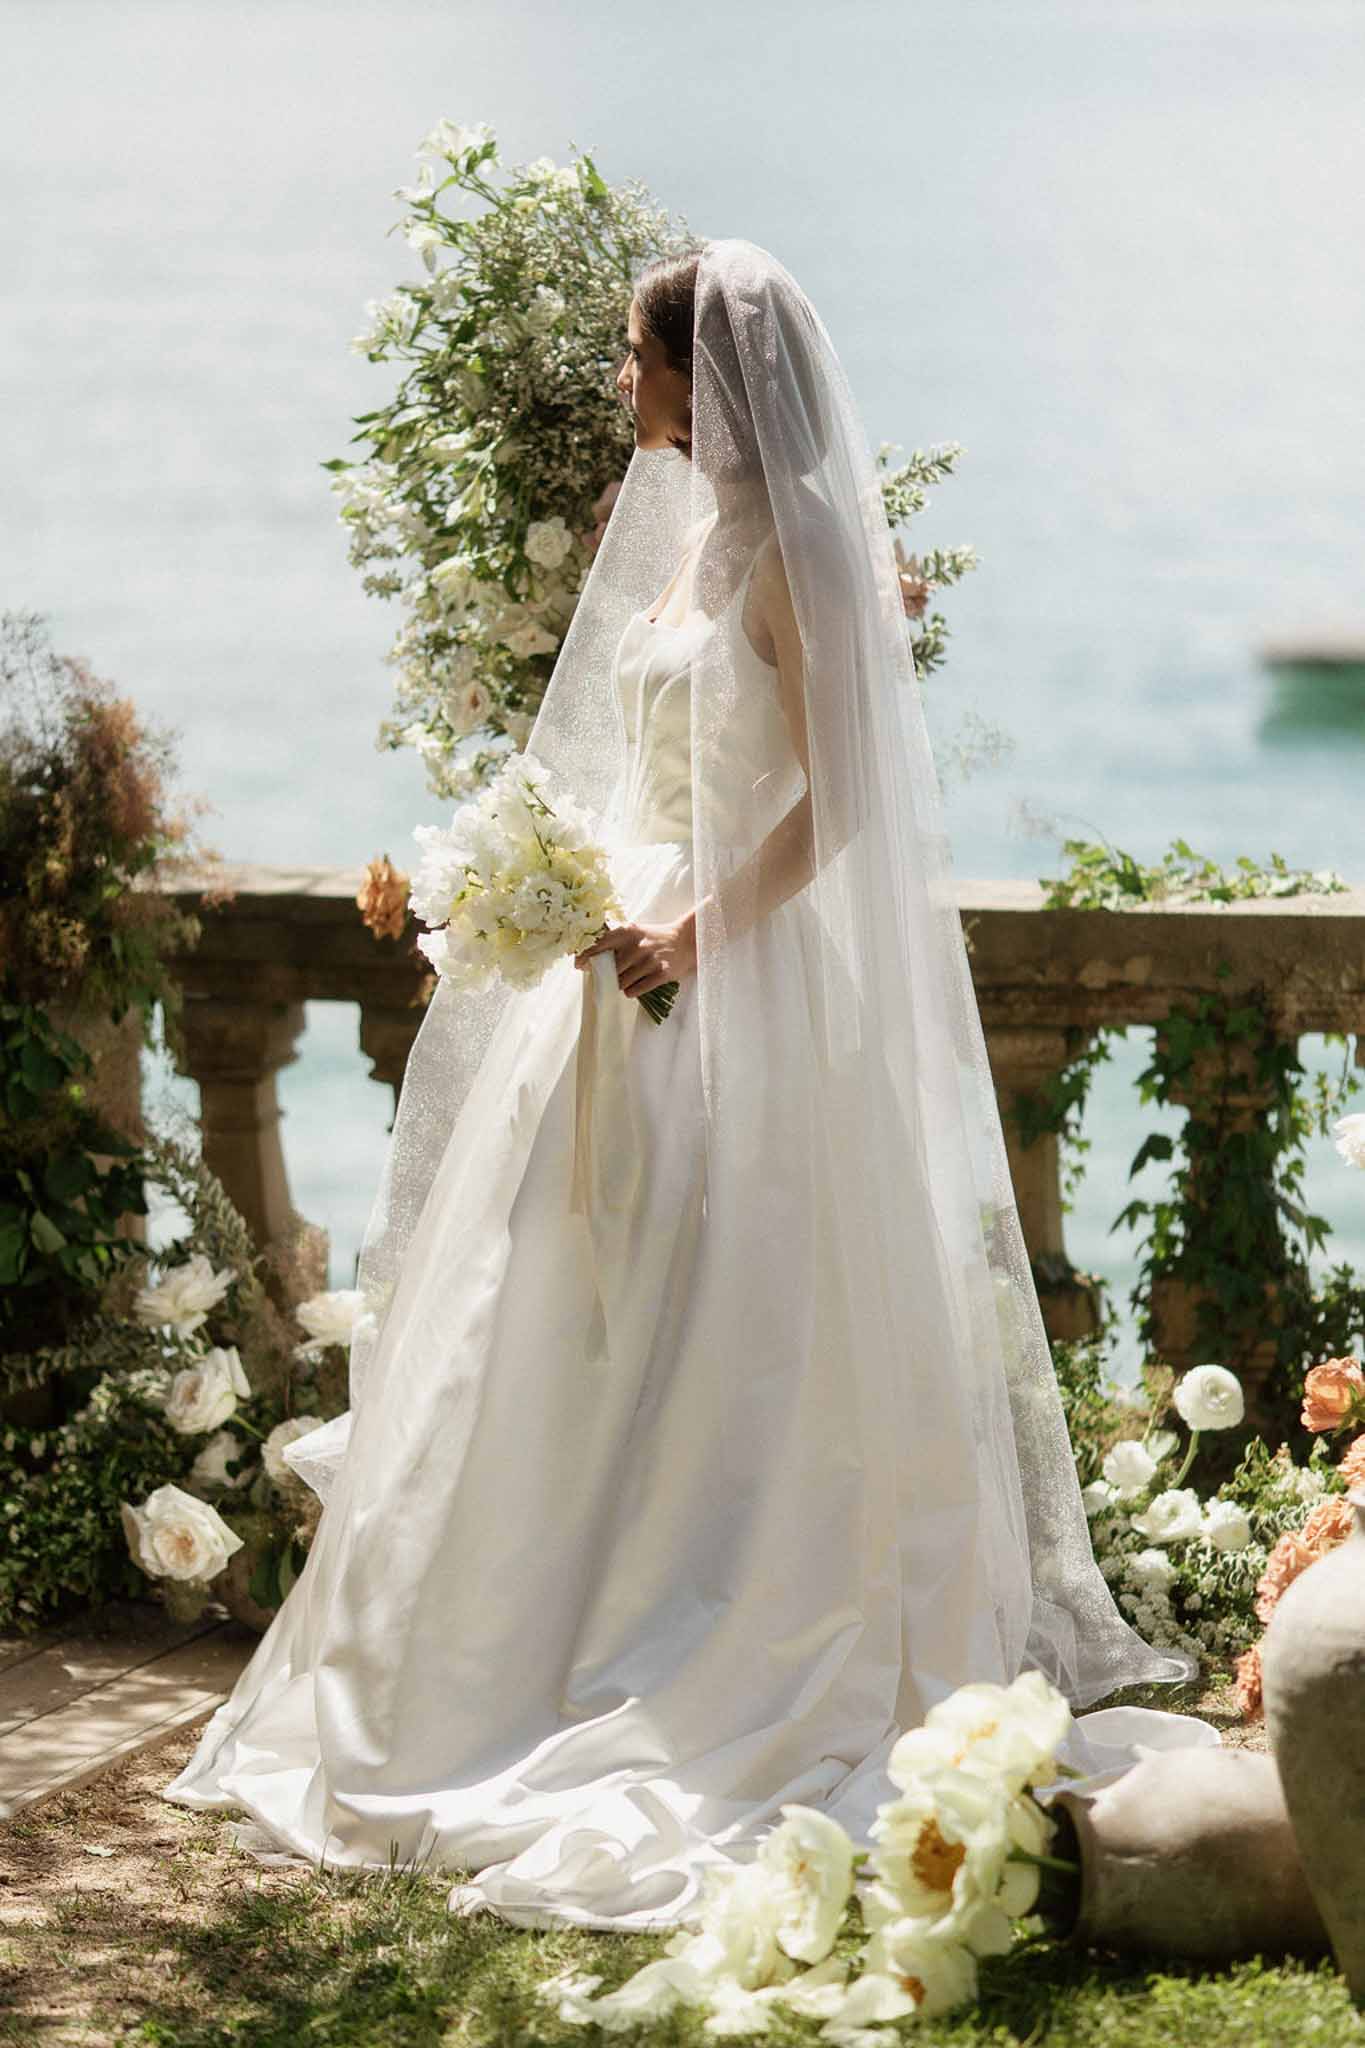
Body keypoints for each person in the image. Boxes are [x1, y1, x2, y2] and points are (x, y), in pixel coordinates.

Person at [161, 238, 1215, 1931]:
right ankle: (527, 1634)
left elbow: (845, 800)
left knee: (733, 1299)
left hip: (736, 969)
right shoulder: (670, 541)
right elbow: (632, 753)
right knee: (558, 1304)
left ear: (701, 377)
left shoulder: (798, 556)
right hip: (611, 965)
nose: (621, 387)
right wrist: (528, 895)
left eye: (636, 361)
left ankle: (723, 1629)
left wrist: (695, 934)